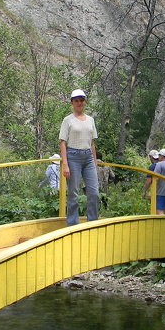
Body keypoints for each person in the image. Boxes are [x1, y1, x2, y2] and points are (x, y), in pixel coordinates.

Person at [59, 88, 100, 226]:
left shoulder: (90, 120)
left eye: (82, 100)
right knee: (73, 193)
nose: (79, 103)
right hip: (73, 157)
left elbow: (92, 143)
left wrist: (95, 163)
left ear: (85, 102)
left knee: (93, 192)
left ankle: (93, 223)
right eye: (76, 100)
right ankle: (72, 225)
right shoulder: (67, 120)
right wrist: (65, 164)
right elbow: (63, 143)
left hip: (88, 157)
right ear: (72, 103)